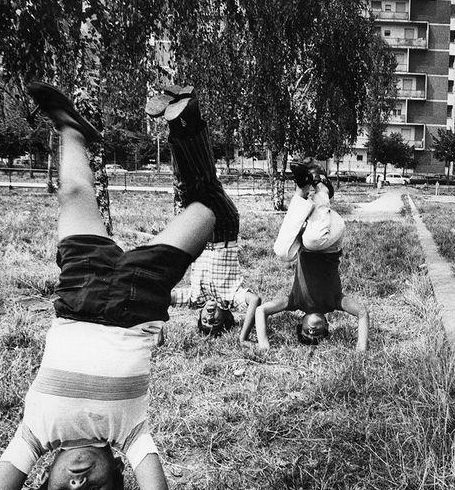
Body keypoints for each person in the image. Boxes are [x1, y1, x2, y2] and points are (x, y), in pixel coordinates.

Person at [0, 83, 213, 490]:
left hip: (78, 294)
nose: (77, 483)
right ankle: (183, 123)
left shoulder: (34, 434)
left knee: (75, 193)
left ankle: (71, 130)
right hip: (137, 298)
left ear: (45, 474)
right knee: (210, 212)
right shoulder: (131, 435)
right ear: (116, 477)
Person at [145, 85, 261, 339]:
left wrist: (158, 332)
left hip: (200, 231)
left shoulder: (194, 296)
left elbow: (160, 297)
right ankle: (191, 111)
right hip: (223, 227)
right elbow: (256, 301)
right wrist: (242, 336)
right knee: (206, 181)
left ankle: (176, 123)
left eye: (204, 322)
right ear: (226, 317)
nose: (209, 317)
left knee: (185, 183)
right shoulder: (232, 297)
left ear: (197, 315)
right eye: (215, 323)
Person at [245, 159, 368, 353]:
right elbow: (362, 313)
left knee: (282, 251)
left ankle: (302, 188)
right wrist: (361, 350)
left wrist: (263, 343)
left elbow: (261, 311)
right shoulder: (334, 302)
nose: (312, 331)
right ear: (327, 326)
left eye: (306, 333)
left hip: (310, 228)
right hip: (329, 233)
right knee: (312, 240)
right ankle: (322, 189)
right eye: (317, 335)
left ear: (300, 323)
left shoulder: (295, 302)